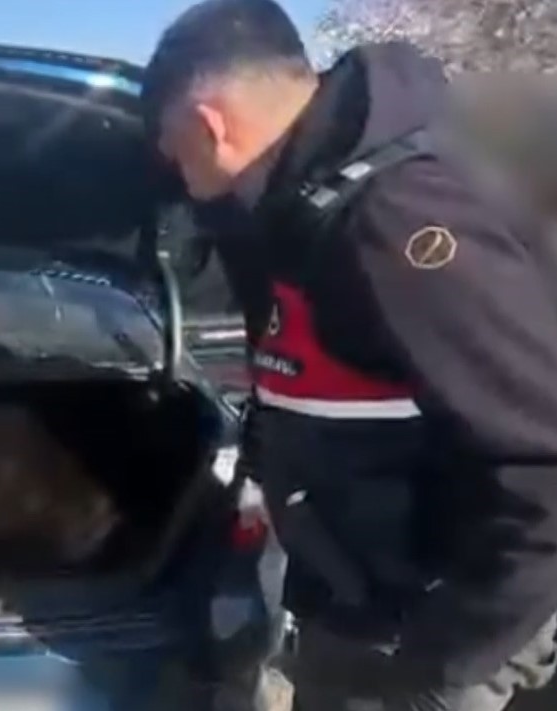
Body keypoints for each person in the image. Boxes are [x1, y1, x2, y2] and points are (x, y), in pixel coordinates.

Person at [141, 1, 557, 709]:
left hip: (427, 637)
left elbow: (543, 462)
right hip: (354, 608)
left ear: (211, 126)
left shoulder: (397, 218)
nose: (176, 176)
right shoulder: (299, 211)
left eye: (173, 153)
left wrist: (443, 665)